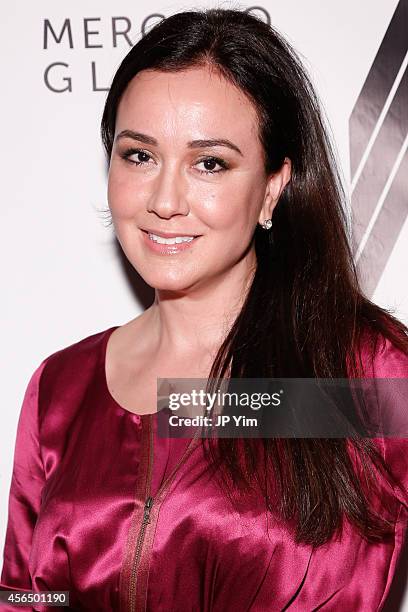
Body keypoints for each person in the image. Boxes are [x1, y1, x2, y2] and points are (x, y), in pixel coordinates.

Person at [1, 7, 407, 611]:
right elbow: (29, 600)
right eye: (139, 155)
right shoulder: (63, 386)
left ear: (274, 185)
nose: (165, 200)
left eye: (209, 163)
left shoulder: (368, 372)